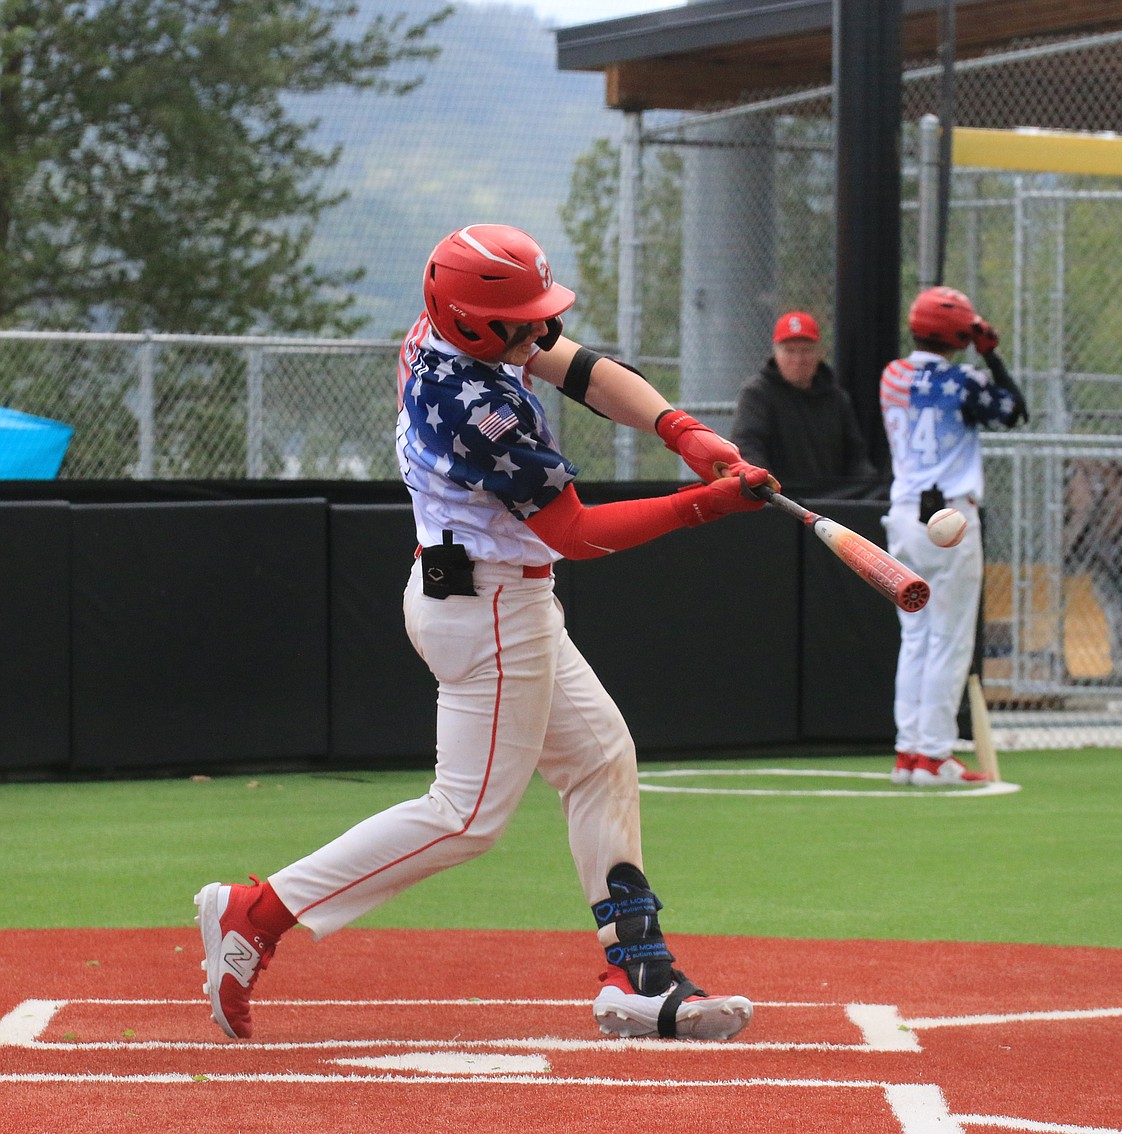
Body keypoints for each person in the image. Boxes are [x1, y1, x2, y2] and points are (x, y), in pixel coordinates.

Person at [195, 224, 776, 1043]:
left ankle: (637, 973)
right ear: (472, 323)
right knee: (466, 816)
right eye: (520, 321)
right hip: (491, 611)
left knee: (599, 755)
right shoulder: (474, 407)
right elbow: (574, 533)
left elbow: (577, 366)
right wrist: (702, 506)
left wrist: (682, 431)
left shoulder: (450, 329)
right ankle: (258, 911)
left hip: (483, 594)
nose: (538, 331)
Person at [880, 285, 1028, 786]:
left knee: (915, 637)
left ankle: (908, 753)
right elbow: (1013, 409)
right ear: (960, 335)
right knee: (948, 638)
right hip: (951, 518)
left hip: (903, 514)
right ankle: (934, 755)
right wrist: (991, 352)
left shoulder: (891, 376)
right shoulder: (965, 382)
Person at [730, 310, 876, 483]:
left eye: (806, 351)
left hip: (830, 503)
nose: (798, 360)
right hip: (779, 500)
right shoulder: (757, 394)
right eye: (790, 351)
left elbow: (855, 456)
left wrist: (871, 487)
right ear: (775, 354)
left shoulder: (836, 398)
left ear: (819, 353)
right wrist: (767, 487)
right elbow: (748, 447)